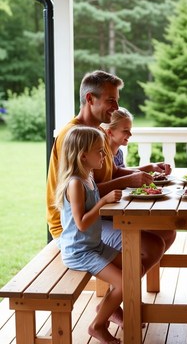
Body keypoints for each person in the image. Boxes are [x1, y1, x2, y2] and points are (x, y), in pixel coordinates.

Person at [46, 70, 176, 281]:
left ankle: (119, 291)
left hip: (103, 215)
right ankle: (117, 298)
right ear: (90, 99)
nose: (116, 108)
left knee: (167, 232)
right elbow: (86, 192)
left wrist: (146, 169)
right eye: (111, 101)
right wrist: (128, 181)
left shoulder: (98, 133)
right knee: (150, 247)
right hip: (73, 230)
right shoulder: (73, 137)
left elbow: (112, 172)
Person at [55, 126, 123, 344]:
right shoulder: (75, 183)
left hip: (94, 245)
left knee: (134, 266)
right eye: (99, 151)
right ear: (83, 155)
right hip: (79, 251)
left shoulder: (89, 176)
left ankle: (108, 308)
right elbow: (82, 224)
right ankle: (97, 325)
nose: (104, 154)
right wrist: (104, 201)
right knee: (125, 283)